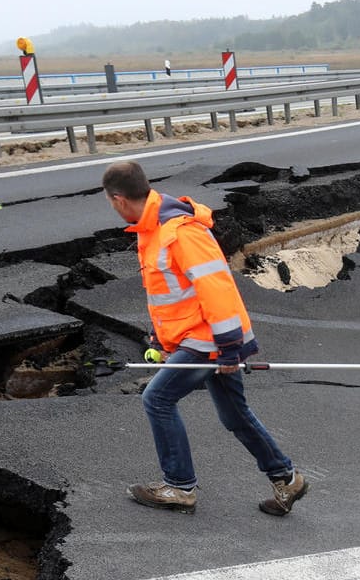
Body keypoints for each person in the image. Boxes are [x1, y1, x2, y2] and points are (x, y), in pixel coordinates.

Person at [101, 160, 308, 516]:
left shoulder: (179, 231)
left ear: (118, 199)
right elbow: (171, 293)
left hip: (209, 338)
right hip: (197, 336)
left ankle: (179, 486)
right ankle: (285, 478)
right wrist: (162, 342)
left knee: (157, 399)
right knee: (234, 415)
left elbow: (217, 288)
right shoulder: (152, 230)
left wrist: (228, 348)